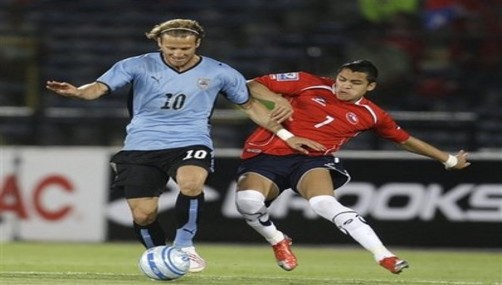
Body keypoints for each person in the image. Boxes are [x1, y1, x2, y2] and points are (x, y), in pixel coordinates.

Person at [45, 18, 317, 273]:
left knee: (191, 183)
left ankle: (185, 245)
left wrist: (286, 136)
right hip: (141, 143)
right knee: (143, 214)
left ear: (197, 43)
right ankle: (163, 257)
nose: (178, 53)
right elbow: (99, 88)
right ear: (159, 43)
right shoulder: (136, 65)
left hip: (191, 138)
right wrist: (79, 92)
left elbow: (250, 105)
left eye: (185, 48)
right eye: (172, 47)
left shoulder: (220, 72)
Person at [234, 59, 471, 274]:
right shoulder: (309, 83)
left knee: (323, 203)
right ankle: (277, 240)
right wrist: (275, 98)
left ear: (370, 87)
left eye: (355, 83)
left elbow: (406, 141)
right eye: (342, 79)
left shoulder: (372, 115)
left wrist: (448, 159)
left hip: (311, 159)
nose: (345, 86)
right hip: (264, 155)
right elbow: (251, 84)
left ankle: (384, 256)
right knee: (248, 202)